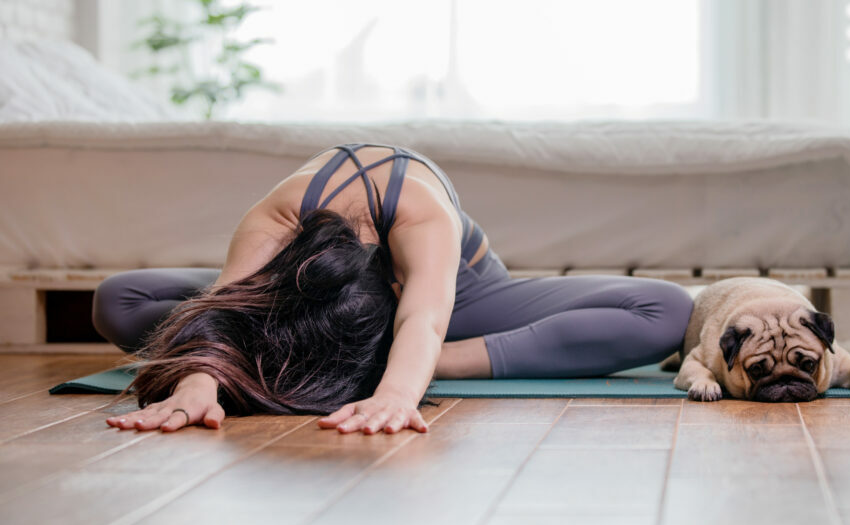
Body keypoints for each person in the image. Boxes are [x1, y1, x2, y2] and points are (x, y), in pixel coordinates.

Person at [94, 143, 693, 435]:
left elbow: (422, 320)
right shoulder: (276, 218)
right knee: (121, 300)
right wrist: (199, 381)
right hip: (302, 299)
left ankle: (434, 364)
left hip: (463, 299)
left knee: (664, 309)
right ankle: (343, 347)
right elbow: (223, 312)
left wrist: (400, 390)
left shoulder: (420, 215)